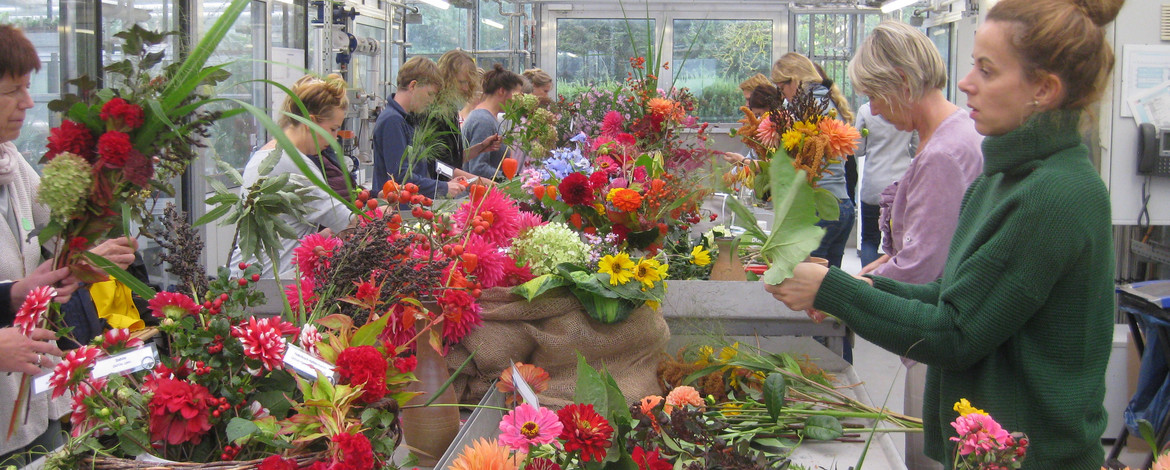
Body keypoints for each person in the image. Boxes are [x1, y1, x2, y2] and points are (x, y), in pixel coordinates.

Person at [767, 0, 1123, 467]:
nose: (965, 82)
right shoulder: (1002, 178)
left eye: (987, 70)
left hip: (1028, 457)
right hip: (986, 450)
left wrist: (835, 291)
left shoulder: (1054, 195)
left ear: (1044, 89)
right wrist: (868, 286)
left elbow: (958, 333)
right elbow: (952, 294)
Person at [847, 21, 984, 470]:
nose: (873, 108)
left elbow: (922, 267)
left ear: (902, 83)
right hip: (948, 328)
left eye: (873, 94)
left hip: (940, 334)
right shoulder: (950, 133)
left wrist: (842, 296)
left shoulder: (944, 154)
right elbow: (915, 245)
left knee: (931, 455)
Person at [0, 23, 135, 465]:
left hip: (29, 409)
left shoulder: (11, 162)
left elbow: (55, 229)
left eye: (26, 87)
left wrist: (84, 256)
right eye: (12, 91)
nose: (28, 103)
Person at [231, 74, 352, 278]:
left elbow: (283, 227)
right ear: (311, 122)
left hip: (250, 278)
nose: (333, 140)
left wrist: (316, 237)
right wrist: (381, 215)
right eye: (332, 129)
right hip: (267, 286)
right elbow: (348, 222)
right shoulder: (293, 162)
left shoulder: (268, 154)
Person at [772, 52, 855, 268]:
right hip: (843, 204)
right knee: (832, 287)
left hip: (819, 207)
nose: (783, 97)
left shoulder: (805, 108)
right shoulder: (830, 101)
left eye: (782, 89)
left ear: (795, 80)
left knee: (807, 284)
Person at [853, 102, 916, 267]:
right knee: (900, 239)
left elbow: (858, 149)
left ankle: (867, 283)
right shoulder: (907, 109)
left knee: (869, 238)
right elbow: (917, 147)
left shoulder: (866, 111)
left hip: (873, 183)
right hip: (900, 184)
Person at [424, 50, 501, 185]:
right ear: (445, 79)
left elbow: (452, 160)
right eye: (461, 82)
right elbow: (438, 167)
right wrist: (479, 182)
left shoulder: (450, 109)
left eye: (468, 83)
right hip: (435, 190)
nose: (466, 88)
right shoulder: (433, 114)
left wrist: (481, 147)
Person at [464, 64, 523, 181]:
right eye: (517, 95)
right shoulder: (483, 120)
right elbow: (478, 168)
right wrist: (512, 180)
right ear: (502, 91)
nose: (519, 100)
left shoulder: (490, 118)